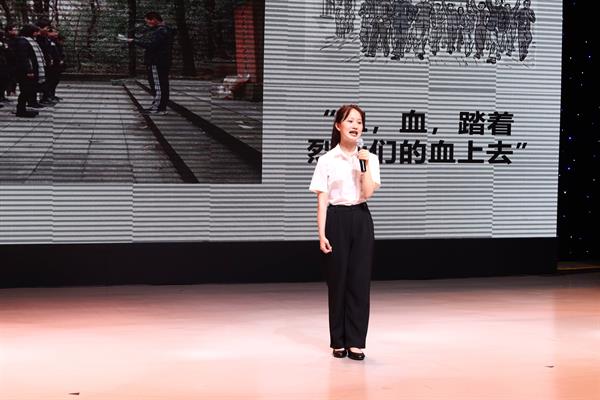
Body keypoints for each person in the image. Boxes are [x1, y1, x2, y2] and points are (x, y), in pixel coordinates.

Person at [309, 104, 381, 361]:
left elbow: (368, 193)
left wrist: (364, 166)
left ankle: (356, 342)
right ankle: (338, 341)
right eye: (350, 121)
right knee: (337, 280)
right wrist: (321, 234)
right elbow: (322, 200)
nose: (355, 126)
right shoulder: (326, 160)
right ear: (338, 125)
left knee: (359, 281)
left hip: (360, 218)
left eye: (359, 122)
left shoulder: (369, 158)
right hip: (336, 219)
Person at [128, 11, 175, 114]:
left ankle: (158, 108)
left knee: (158, 85)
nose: (147, 24)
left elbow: (151, 45)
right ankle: (159, 106)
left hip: (157, 61)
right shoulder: (166, 29)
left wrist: (134, 41)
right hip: (163, 61)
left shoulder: (161, 31)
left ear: (154, 19)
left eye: (148, 21)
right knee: (162, 84)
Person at [14, 24, 46, 118]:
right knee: (25, 90)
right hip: (25, 71)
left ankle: (22, 109)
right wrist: (29, 70)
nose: (37, 34)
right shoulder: (23, 42)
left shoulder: (29, 41)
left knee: (28, 89)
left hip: (30, 70)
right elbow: (24, 58)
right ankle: (21, 110)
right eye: (35, 32)